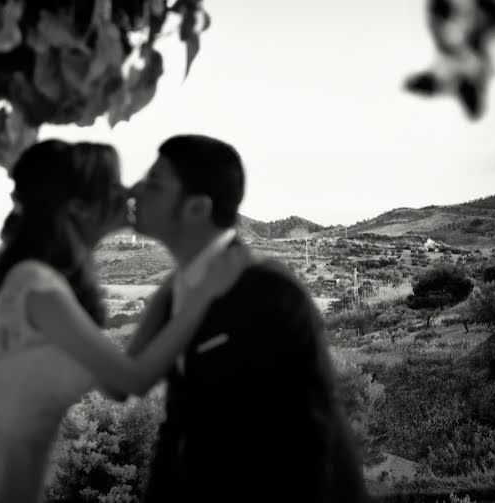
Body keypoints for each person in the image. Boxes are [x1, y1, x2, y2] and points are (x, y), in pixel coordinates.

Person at [0, 139, 250, 503]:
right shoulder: (39, 285)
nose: (128, 190)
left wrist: (176, 284)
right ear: (79, 208)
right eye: (113, 184)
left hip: (19, 457)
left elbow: (117, 385)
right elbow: (134, 379)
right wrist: (202, 298)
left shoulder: (56, 283)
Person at [123, 134, 369, 502]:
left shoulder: (271, 292)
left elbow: (309, 433)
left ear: (196, 209)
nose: (135, 189)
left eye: (154, 183)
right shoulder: (176, 292)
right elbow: (179, 422)